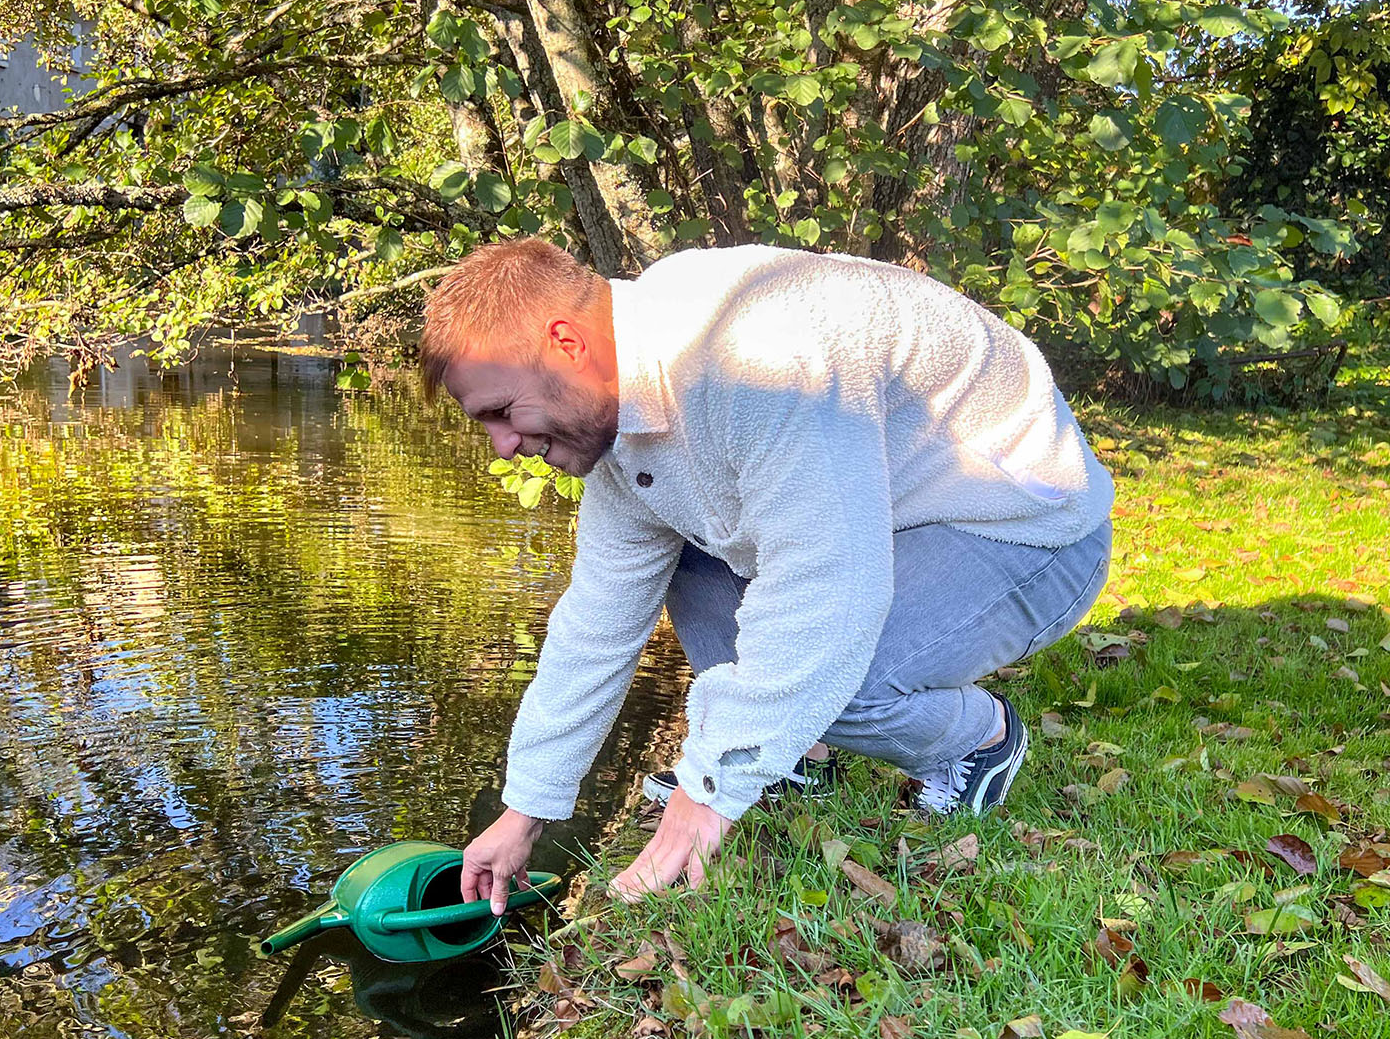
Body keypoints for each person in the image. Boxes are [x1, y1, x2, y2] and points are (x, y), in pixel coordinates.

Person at [421, 238, 1113, 909]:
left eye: (502, 413)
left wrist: (709, 790)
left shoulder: (761, 360)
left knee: (838, 677)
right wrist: (527, 807)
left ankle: (980, 739)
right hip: (888, 520)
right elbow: (597, 625)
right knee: (689, 551)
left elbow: (828, 596)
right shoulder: (624, 416)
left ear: (566, 344)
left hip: (1024, 530)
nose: (502, 445)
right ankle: (796, 754)